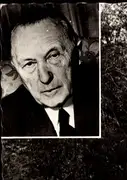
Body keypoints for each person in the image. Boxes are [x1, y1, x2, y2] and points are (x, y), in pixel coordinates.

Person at [1, 5, 99, 137]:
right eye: (29, 64)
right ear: (16, 67)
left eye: (53, 56)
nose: (44, 77)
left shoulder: (106, 91)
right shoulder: (5, 119)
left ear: (77, 51)